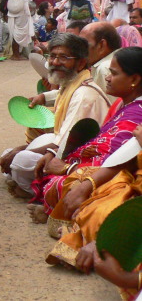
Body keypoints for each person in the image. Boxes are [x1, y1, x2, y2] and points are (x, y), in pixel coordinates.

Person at [31, 47, 142, 235]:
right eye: (53, 57)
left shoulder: (136, 111)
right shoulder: (122, 102)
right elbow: (101, 143)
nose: (107, 78)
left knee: (71, 186)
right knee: (55, 176)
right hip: (102, 166)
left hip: (122, 176)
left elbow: (118, 161)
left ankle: (74, 224)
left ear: (134, 80)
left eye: (113, 74)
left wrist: (69, 168)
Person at [0, 34, 110, 199]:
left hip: (81, 159)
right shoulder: (73, 82)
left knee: (21, 160)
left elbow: (64, 145)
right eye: (52, 56)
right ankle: (25, 181)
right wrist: (43, 97)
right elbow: (58, 93)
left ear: (80, 63)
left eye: (64, 57)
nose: (55, 62)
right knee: (10, 155)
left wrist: (19, 151)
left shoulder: (84, 96)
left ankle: (37, 191)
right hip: (63, 147)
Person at [79, 22, 122, 105]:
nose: (80, 51)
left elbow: (114, 109)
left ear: (102, 45)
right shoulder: (117, 60)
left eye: (83, 46)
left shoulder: (105, 67)